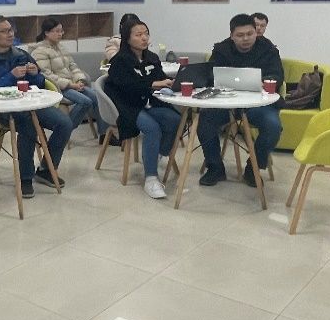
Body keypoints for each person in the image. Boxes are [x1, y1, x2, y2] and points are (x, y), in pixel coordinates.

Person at [0, 15, 73, 199]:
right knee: (28, 125)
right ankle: (25, 178)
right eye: (4, 31)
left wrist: (35, 75)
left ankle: (46, 169)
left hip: (30, 103)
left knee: (64, 123)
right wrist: (10, 76)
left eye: (11, 30)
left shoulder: (21, 54)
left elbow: (39, 83)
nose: (10, 34)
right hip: (2, 109)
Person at [197, 14, 284, 188]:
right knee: (204, 122)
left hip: (258, 104)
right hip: (225, 103)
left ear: (256, 32)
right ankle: (215, 167)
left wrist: (264, 81)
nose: (245, 39)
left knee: (273, 126)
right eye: (240, 35)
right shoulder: (221, 49)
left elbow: (277, 76)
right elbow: (211, 76)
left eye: (250, 34)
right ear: (232, 35)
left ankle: (254, 167)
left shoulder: (268, 49)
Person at [104, 17, 181, 199]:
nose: (144, 38)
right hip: (128, 105)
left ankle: (159, 155)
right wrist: (153, 84)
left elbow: (160, 78)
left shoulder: (152, 57)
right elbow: (127, 86)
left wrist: (169, 83)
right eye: (138, 35)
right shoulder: (120, 60)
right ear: (127, 38)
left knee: (175, 119)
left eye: (146, 34)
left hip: (149, 101)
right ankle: (151, 178)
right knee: (152, 128)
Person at [32, 16, 100, 136]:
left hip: (72, 84)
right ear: (46, 33)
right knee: (86, 102)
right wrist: (70, 84)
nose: (60, 34)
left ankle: (104, 134)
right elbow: (46, 75)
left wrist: (79, 80)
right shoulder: (39, 51)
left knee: (96, 97)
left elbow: (73, 66)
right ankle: (64, 131)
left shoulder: (61, 47)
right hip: (58, 87)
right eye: (57, 31)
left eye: (61, 31)